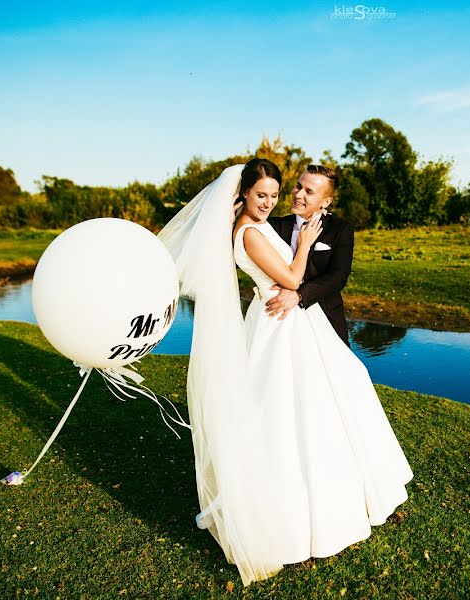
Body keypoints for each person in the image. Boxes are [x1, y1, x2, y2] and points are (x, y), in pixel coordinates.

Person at [156, 158, 414, 587]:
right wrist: (304, 248)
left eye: (291, 193)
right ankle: (288, 512)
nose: (284, 199)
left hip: (307, 321)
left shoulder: (331, 228)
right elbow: (290, 276)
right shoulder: (259, 229)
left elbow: (334, 278)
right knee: (281, 410)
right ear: (244, 194)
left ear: (326, 199)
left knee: (330, 399)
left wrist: (300, 285)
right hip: (278, 325)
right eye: (270, 193)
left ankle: (349, 493)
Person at [265, 165, 354, 346]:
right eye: (298, 186)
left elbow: (338, 276)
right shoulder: (274, 226)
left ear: (326, 202)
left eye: (309, 192)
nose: (298, 194)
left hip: (324, 317)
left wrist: (299, 295)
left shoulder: (340, 229)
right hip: (279, 320)